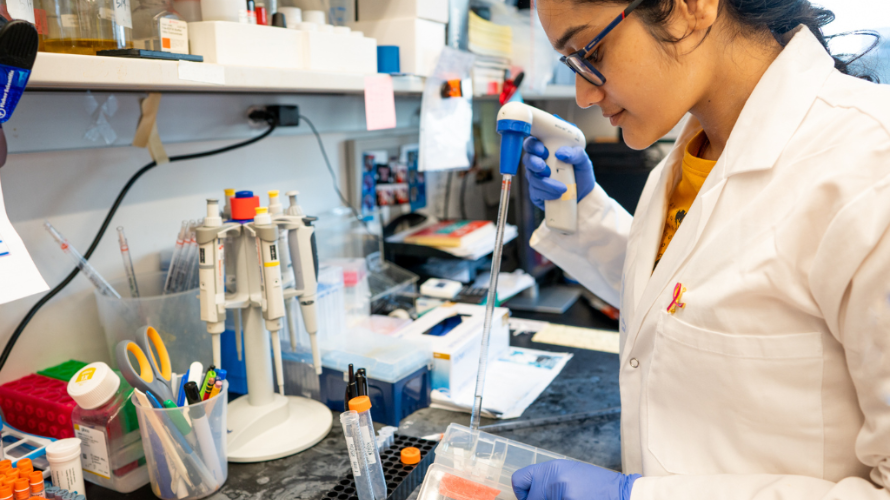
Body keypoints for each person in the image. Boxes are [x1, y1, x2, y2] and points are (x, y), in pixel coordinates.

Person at [512, 0, 890, 499]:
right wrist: (585, 215)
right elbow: (687, 305)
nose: (583, 94)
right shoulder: (687, 159)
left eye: (592, 52)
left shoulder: (870, 167)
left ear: (691, 9)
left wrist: (637, 497)